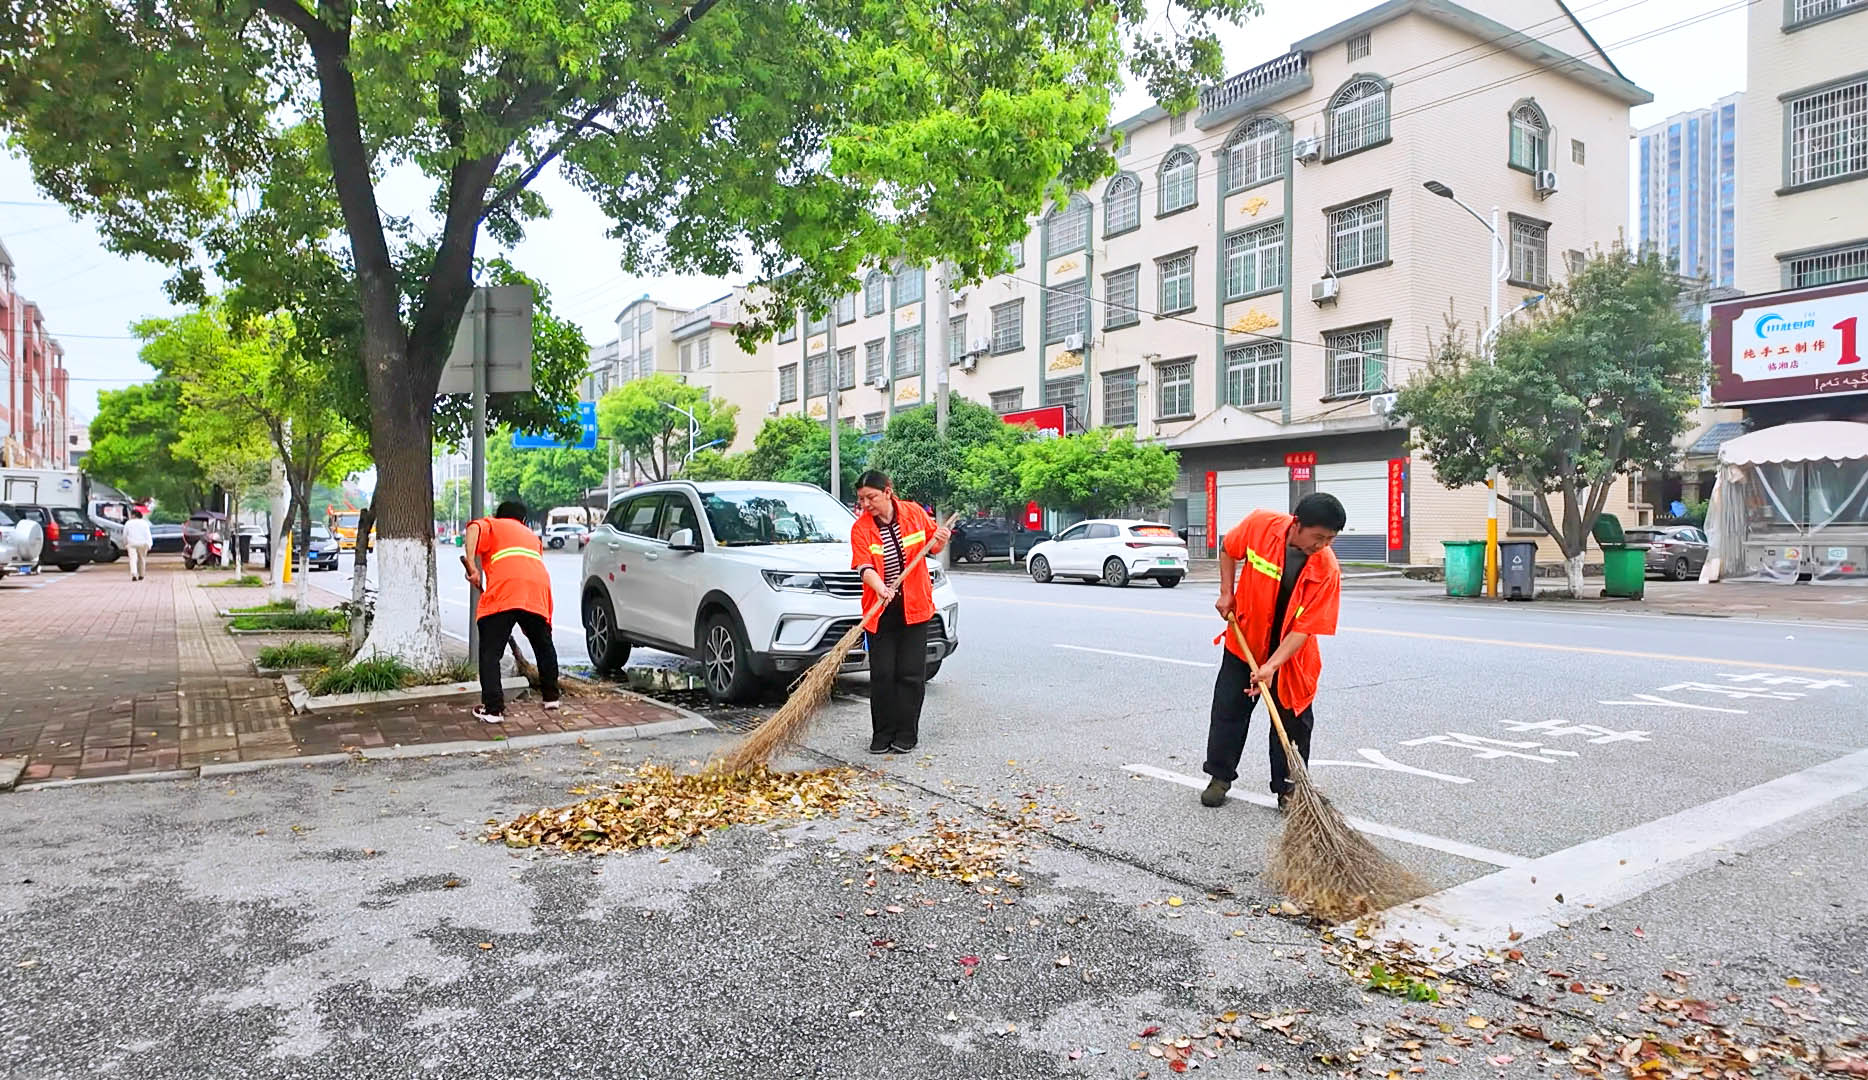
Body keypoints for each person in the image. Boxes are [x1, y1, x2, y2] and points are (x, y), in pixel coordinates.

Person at [1201, 492, 1346, 811]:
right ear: (1297, 524)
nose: (1322, 545)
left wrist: (1272, 666)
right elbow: (1228, 548)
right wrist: (1226, 592)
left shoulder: (1327, 569)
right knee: (1228, 711)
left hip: (1291, 656)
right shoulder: (1260, 525)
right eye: (1318, 537)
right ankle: (1219, 777)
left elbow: (1306, 627)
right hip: (1246, 641)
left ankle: (1288, 789)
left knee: (1293, 722)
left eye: (1330, 539)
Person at [850, 470, 950, 755]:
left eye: (871, 497)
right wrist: (881, 588)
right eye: (861, 499)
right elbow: (864, 567)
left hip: (914, 607)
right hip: (881, 610)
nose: (866, 504)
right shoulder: (861, 528)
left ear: (887, 491)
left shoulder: (914, 513)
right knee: (883, 675)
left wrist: (941, 537)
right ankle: (882, 733)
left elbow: (933, 545)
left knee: (910, 674)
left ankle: (907, 733)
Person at [463, 500, 561, 723]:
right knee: (544, 646)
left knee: (490, 653)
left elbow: (473, 528)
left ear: (499, 515)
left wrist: (472, 564)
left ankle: (493, 709)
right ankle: (551, 697)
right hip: (537, 590)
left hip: (505, 590)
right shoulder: (532, 537)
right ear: (523, 520)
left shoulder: (494, 525)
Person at [123, 509, 153, 581]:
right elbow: (148, 534)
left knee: (133, 559)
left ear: (134, 515)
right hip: (143, 543)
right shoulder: (144, 523)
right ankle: (141, 575)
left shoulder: (128, 523)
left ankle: (134, 574)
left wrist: (125, 543)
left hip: (131, 543)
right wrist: (150, 544)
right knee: (142, 559)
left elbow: (125, 535)